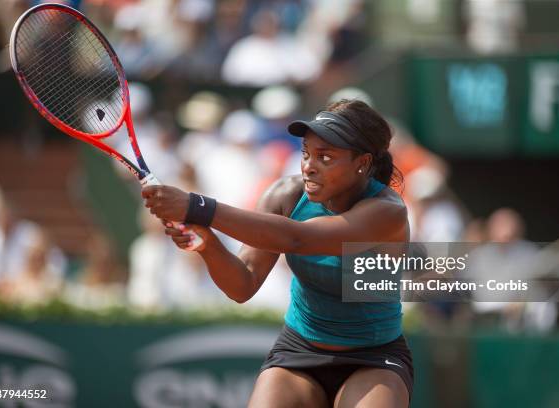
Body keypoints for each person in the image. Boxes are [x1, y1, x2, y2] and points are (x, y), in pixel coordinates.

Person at [142, 99, 414, 407]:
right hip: (299, 349)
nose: (309, 165)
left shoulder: (387, 213)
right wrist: (209, 245)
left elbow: (298, 239)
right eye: (306, 153)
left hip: (374, 357)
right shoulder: (285, 195)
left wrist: (196, 206)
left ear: (362, 163)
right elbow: (242, 285)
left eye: (325, 157)